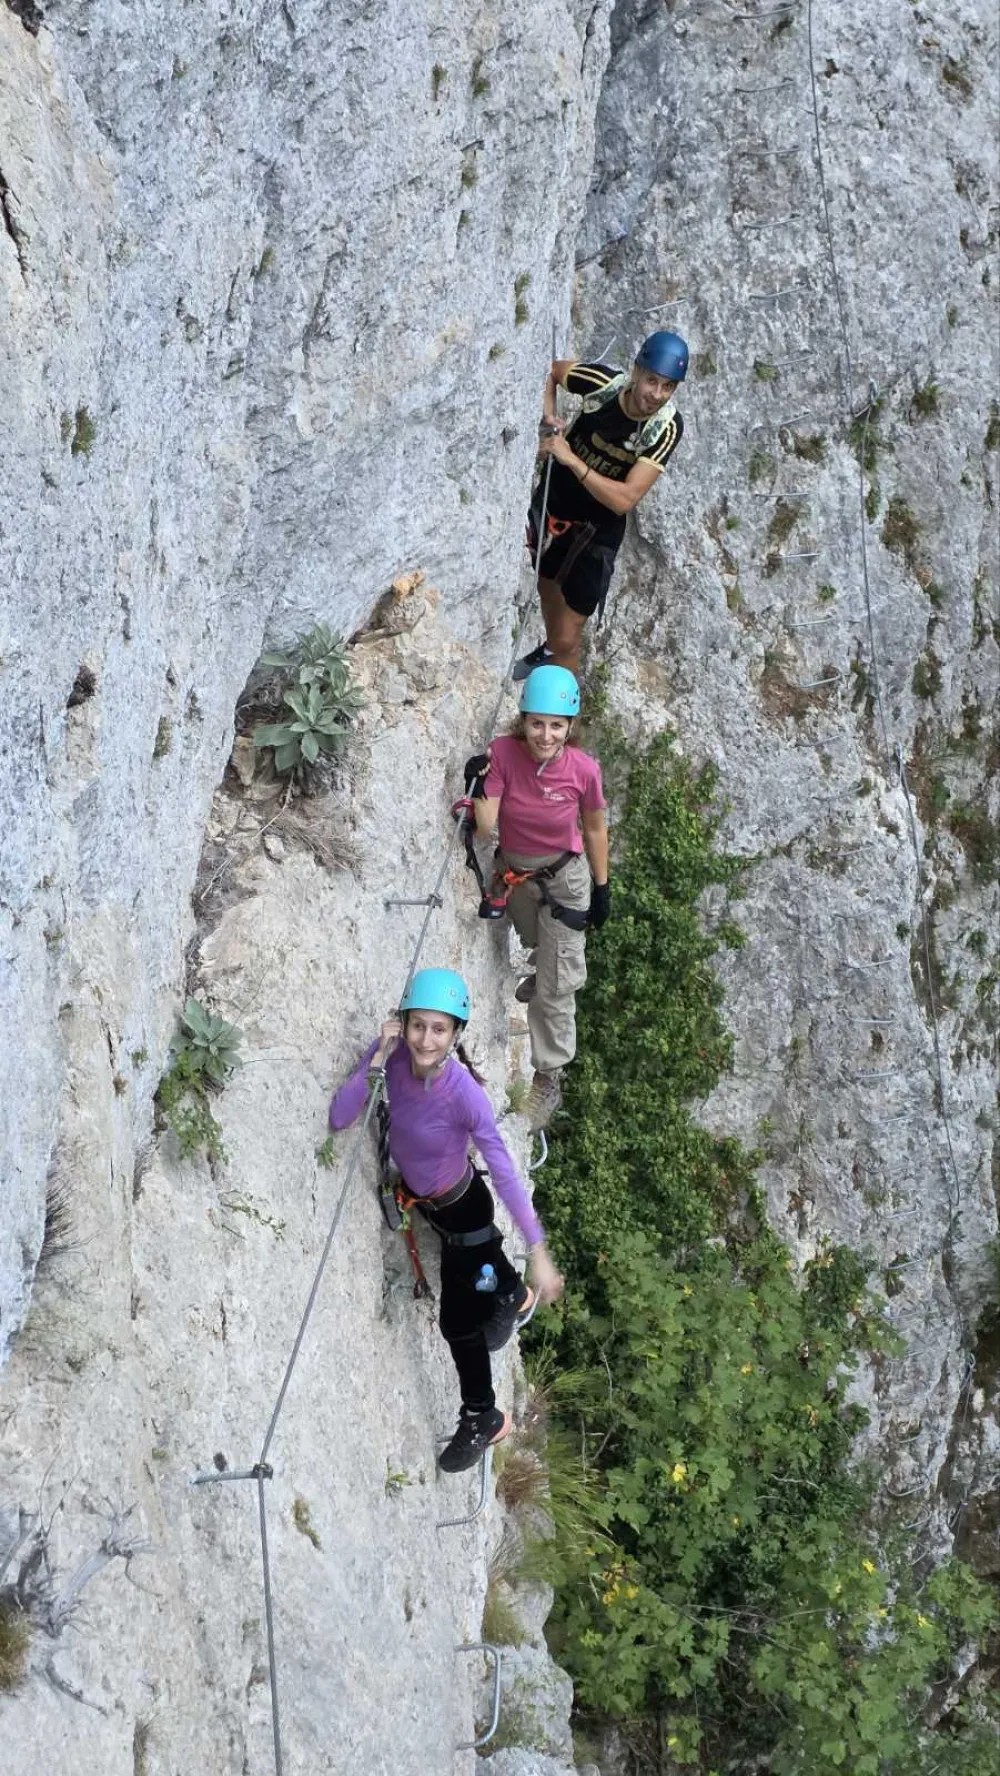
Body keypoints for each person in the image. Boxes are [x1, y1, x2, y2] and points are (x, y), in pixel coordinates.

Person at [328, 967, 564, 1473]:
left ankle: (484, 1415)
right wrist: (375, 1055)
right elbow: (340, 1116)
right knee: (481, 1273)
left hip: (464, 1210)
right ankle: (509, 1295)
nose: (426, 1039)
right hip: (438, 1209)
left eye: (439, 1029)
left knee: (459, 1323)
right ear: (403, 1023)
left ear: (456, 1034)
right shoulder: (391, 1061)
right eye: (418, 1026)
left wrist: (538, 1250)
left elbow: (503, 1172)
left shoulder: (464, 1096)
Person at [468, 665, 609, 1131]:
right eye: (537, 723)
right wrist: (479, 784)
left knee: (556, 987)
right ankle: (544, 969)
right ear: (523, 720)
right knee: (534, 941)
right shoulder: (504, 754)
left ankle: (548, 1075)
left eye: (556, 725)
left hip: (565, 879)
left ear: (570, 727)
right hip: (517, 876)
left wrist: (602, 887)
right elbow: (487, 826)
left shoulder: (583, 770)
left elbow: (593, 827)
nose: (545, 735)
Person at [513, 331, 688, 681]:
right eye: (651, 380)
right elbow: (550, 372)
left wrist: (572, 460)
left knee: (567, 638)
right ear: (636, 372)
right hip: (557, 501)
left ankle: (555, 662)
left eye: (668, 386)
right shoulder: (602, 383)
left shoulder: (665, 427)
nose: (656, 394)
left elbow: (625, 499)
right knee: (546, 582)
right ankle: (551, 653)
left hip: (598, 529)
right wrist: (549, 416)